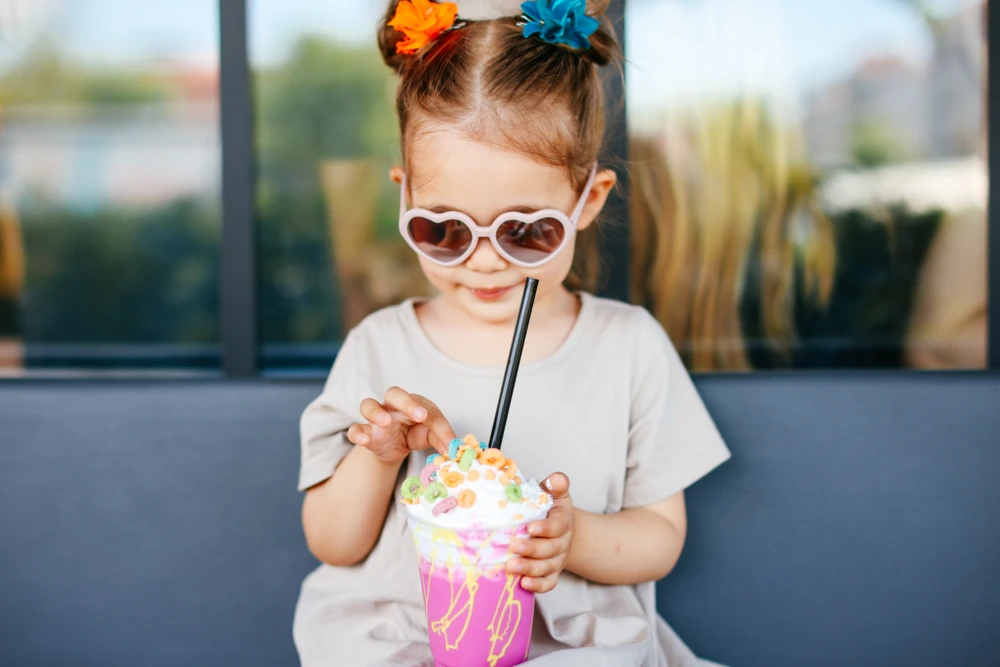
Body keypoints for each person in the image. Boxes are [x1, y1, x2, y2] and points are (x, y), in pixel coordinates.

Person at [294, 1, 730, 665]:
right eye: (443, 229)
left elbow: (661, 537)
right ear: (404, 196)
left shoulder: (628, 346)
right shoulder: (378, 347)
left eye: (526, 230)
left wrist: (570, 534)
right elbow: (332, 541)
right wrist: (378, 455)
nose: (486, 259)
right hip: (399, 645)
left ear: (589, 199)